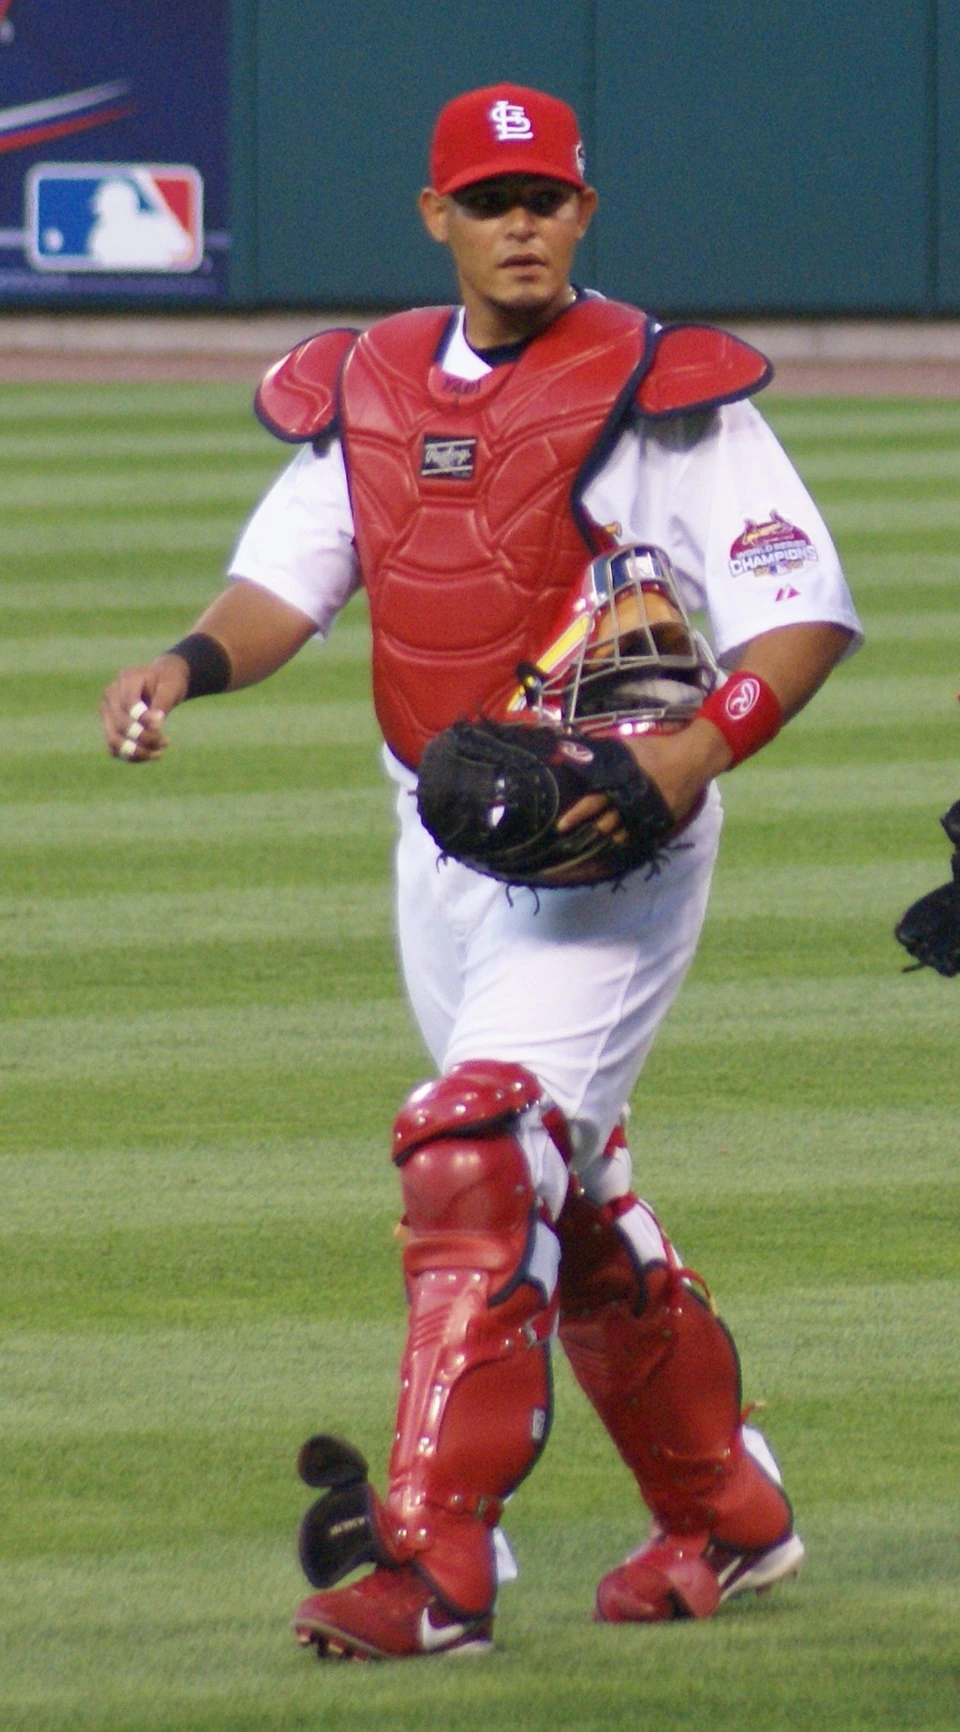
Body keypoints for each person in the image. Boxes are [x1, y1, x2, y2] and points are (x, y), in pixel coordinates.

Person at [101, 82, 863, 1661]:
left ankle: (435, 1566)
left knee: (474, 1152)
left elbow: (801, 608)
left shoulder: (671, 390)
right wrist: (181, 666)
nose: (523, 224)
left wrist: (692, 751)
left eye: (548, 198)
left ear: (585, 211)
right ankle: (727, 1516)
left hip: (614, 849)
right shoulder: (369, 382)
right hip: (437, 850)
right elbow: (287, 583)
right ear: (436, 217)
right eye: (491, 199)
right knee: (562, 1196)